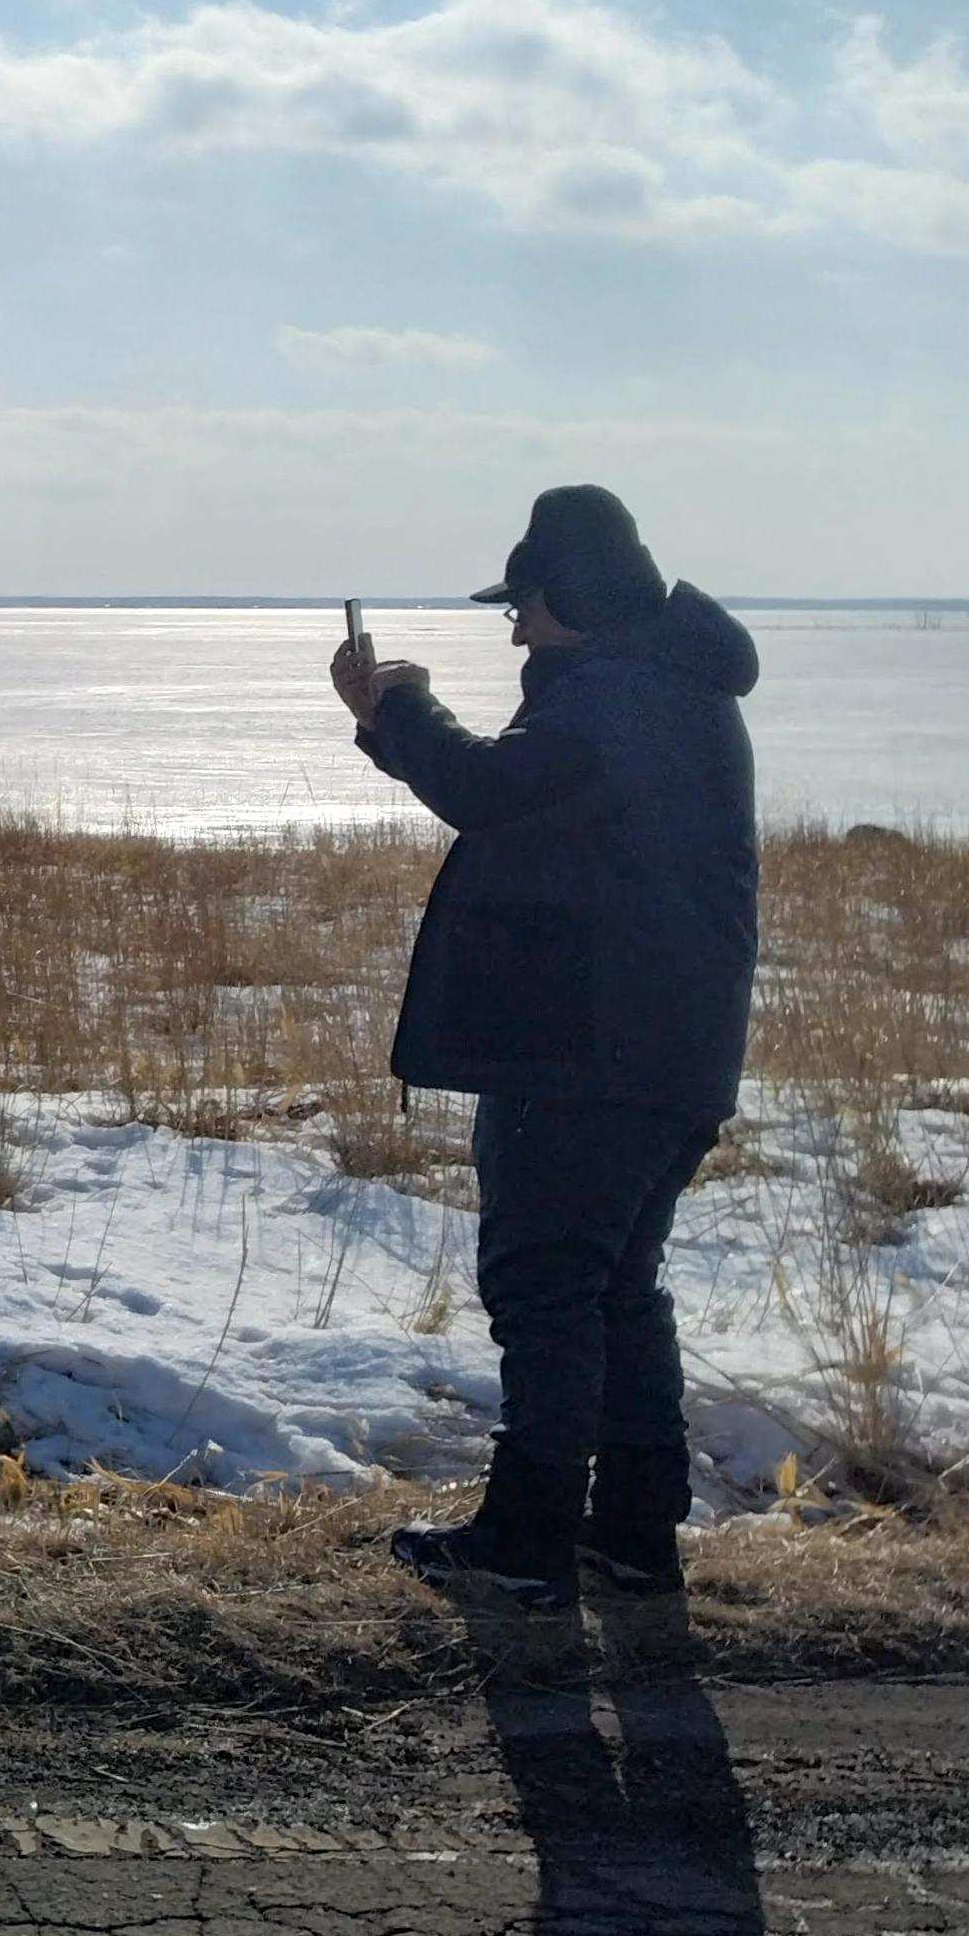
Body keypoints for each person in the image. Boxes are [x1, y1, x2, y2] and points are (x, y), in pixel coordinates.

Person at [330, 485, 761, 1610]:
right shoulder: (664, 690)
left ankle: (524, 1544)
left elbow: (490, 787)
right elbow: (522, 803)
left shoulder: (618, 702)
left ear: (569, 597)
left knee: (544, 1293)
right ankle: (629, 1536)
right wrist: (392, 729)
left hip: (587, 1061)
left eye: (520, 604)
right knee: (614, 1290)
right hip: (659, 1056)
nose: (513, 627)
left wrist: (397, 706)